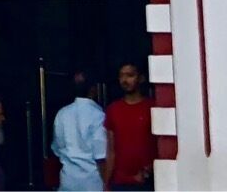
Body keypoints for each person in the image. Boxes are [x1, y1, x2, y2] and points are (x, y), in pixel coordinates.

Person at [50, 70, 110, 192]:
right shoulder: (98, 115)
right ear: (93, 90)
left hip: (68, 181)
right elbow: (101, 154)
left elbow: (57, 148)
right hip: (93, 182)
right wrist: (107, 183)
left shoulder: (62, 114)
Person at [104, 62, 154, 190]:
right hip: (119, 182)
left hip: (146, 181)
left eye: (130, 75)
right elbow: (111, 149)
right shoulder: (113, 110)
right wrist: (106, 183)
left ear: (141, 78)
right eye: (121, 76)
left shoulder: (152, 108)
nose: (125, 80)